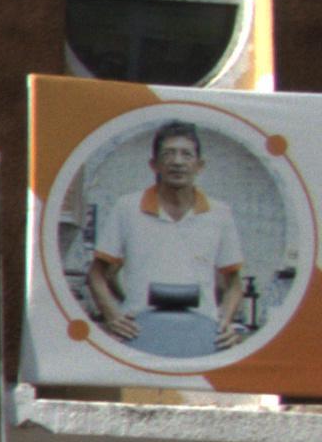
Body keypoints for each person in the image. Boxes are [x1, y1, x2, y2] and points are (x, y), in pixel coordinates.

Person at [86, 120, 253, 349]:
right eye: (168, 154)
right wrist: (112, 315)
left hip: (201, 332)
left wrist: (225, 321)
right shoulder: (126, 208)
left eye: (186, 154)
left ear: (199, 165)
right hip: (138, 332)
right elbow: (96, 275)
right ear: (154, 164)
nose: (177, 162)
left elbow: (234, 283)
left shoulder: (220, 213)